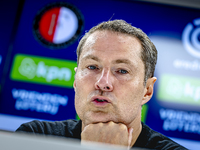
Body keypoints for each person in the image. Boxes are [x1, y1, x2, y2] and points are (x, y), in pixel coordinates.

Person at [16, 20, 187, 149]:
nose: (103, 83)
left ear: (147, 91)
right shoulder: (34, 138)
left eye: (121, 71)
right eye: (92, 67)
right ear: (76, 80)